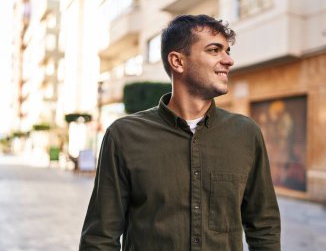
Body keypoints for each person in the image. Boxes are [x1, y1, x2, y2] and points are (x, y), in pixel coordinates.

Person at [79, 14, 281, 251]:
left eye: (227, 50)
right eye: (214, 50)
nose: (229, 60)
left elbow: (264, 228)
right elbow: (100, 238)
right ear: (177, 61)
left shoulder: (246, 133)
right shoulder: (123, 136)